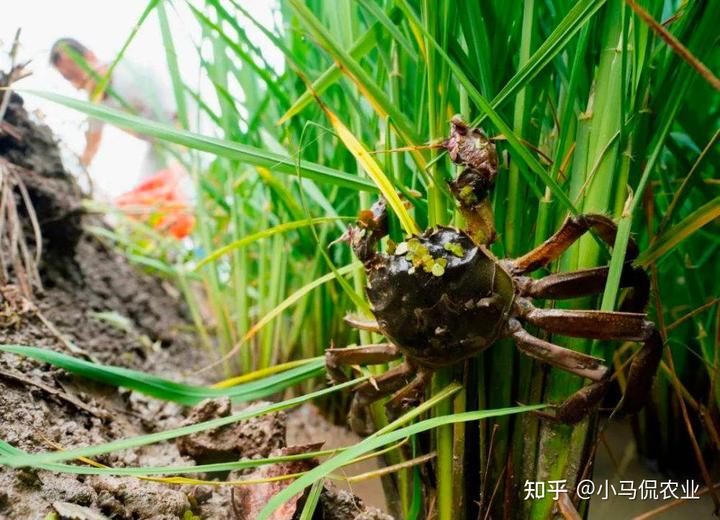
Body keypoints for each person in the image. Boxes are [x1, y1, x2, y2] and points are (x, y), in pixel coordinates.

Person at [50, 38, 193, 239]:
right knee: (143, 201)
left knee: (186, 195)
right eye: (69, 78)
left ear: (90, 57)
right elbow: (91, 147)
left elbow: (179, 116)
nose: (78, 83)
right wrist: (71, 180)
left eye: (76, 72)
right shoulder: (97, 103)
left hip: (191, 136)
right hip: (159, 146)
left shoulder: (130, 73)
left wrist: (179, 166)